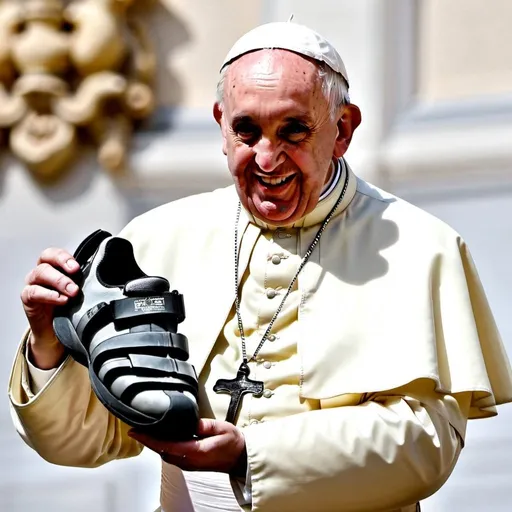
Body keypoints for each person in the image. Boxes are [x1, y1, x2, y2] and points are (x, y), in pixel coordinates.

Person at [8, 21, 512, 512]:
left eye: (293, 131)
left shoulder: (420, 246)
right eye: (247, 131)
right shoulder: (156, 238)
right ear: (221, 127)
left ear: (343, 130)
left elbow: (426, 445)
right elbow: (83, 443)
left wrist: (252, 454)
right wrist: (47, 345)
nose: (268, 159)